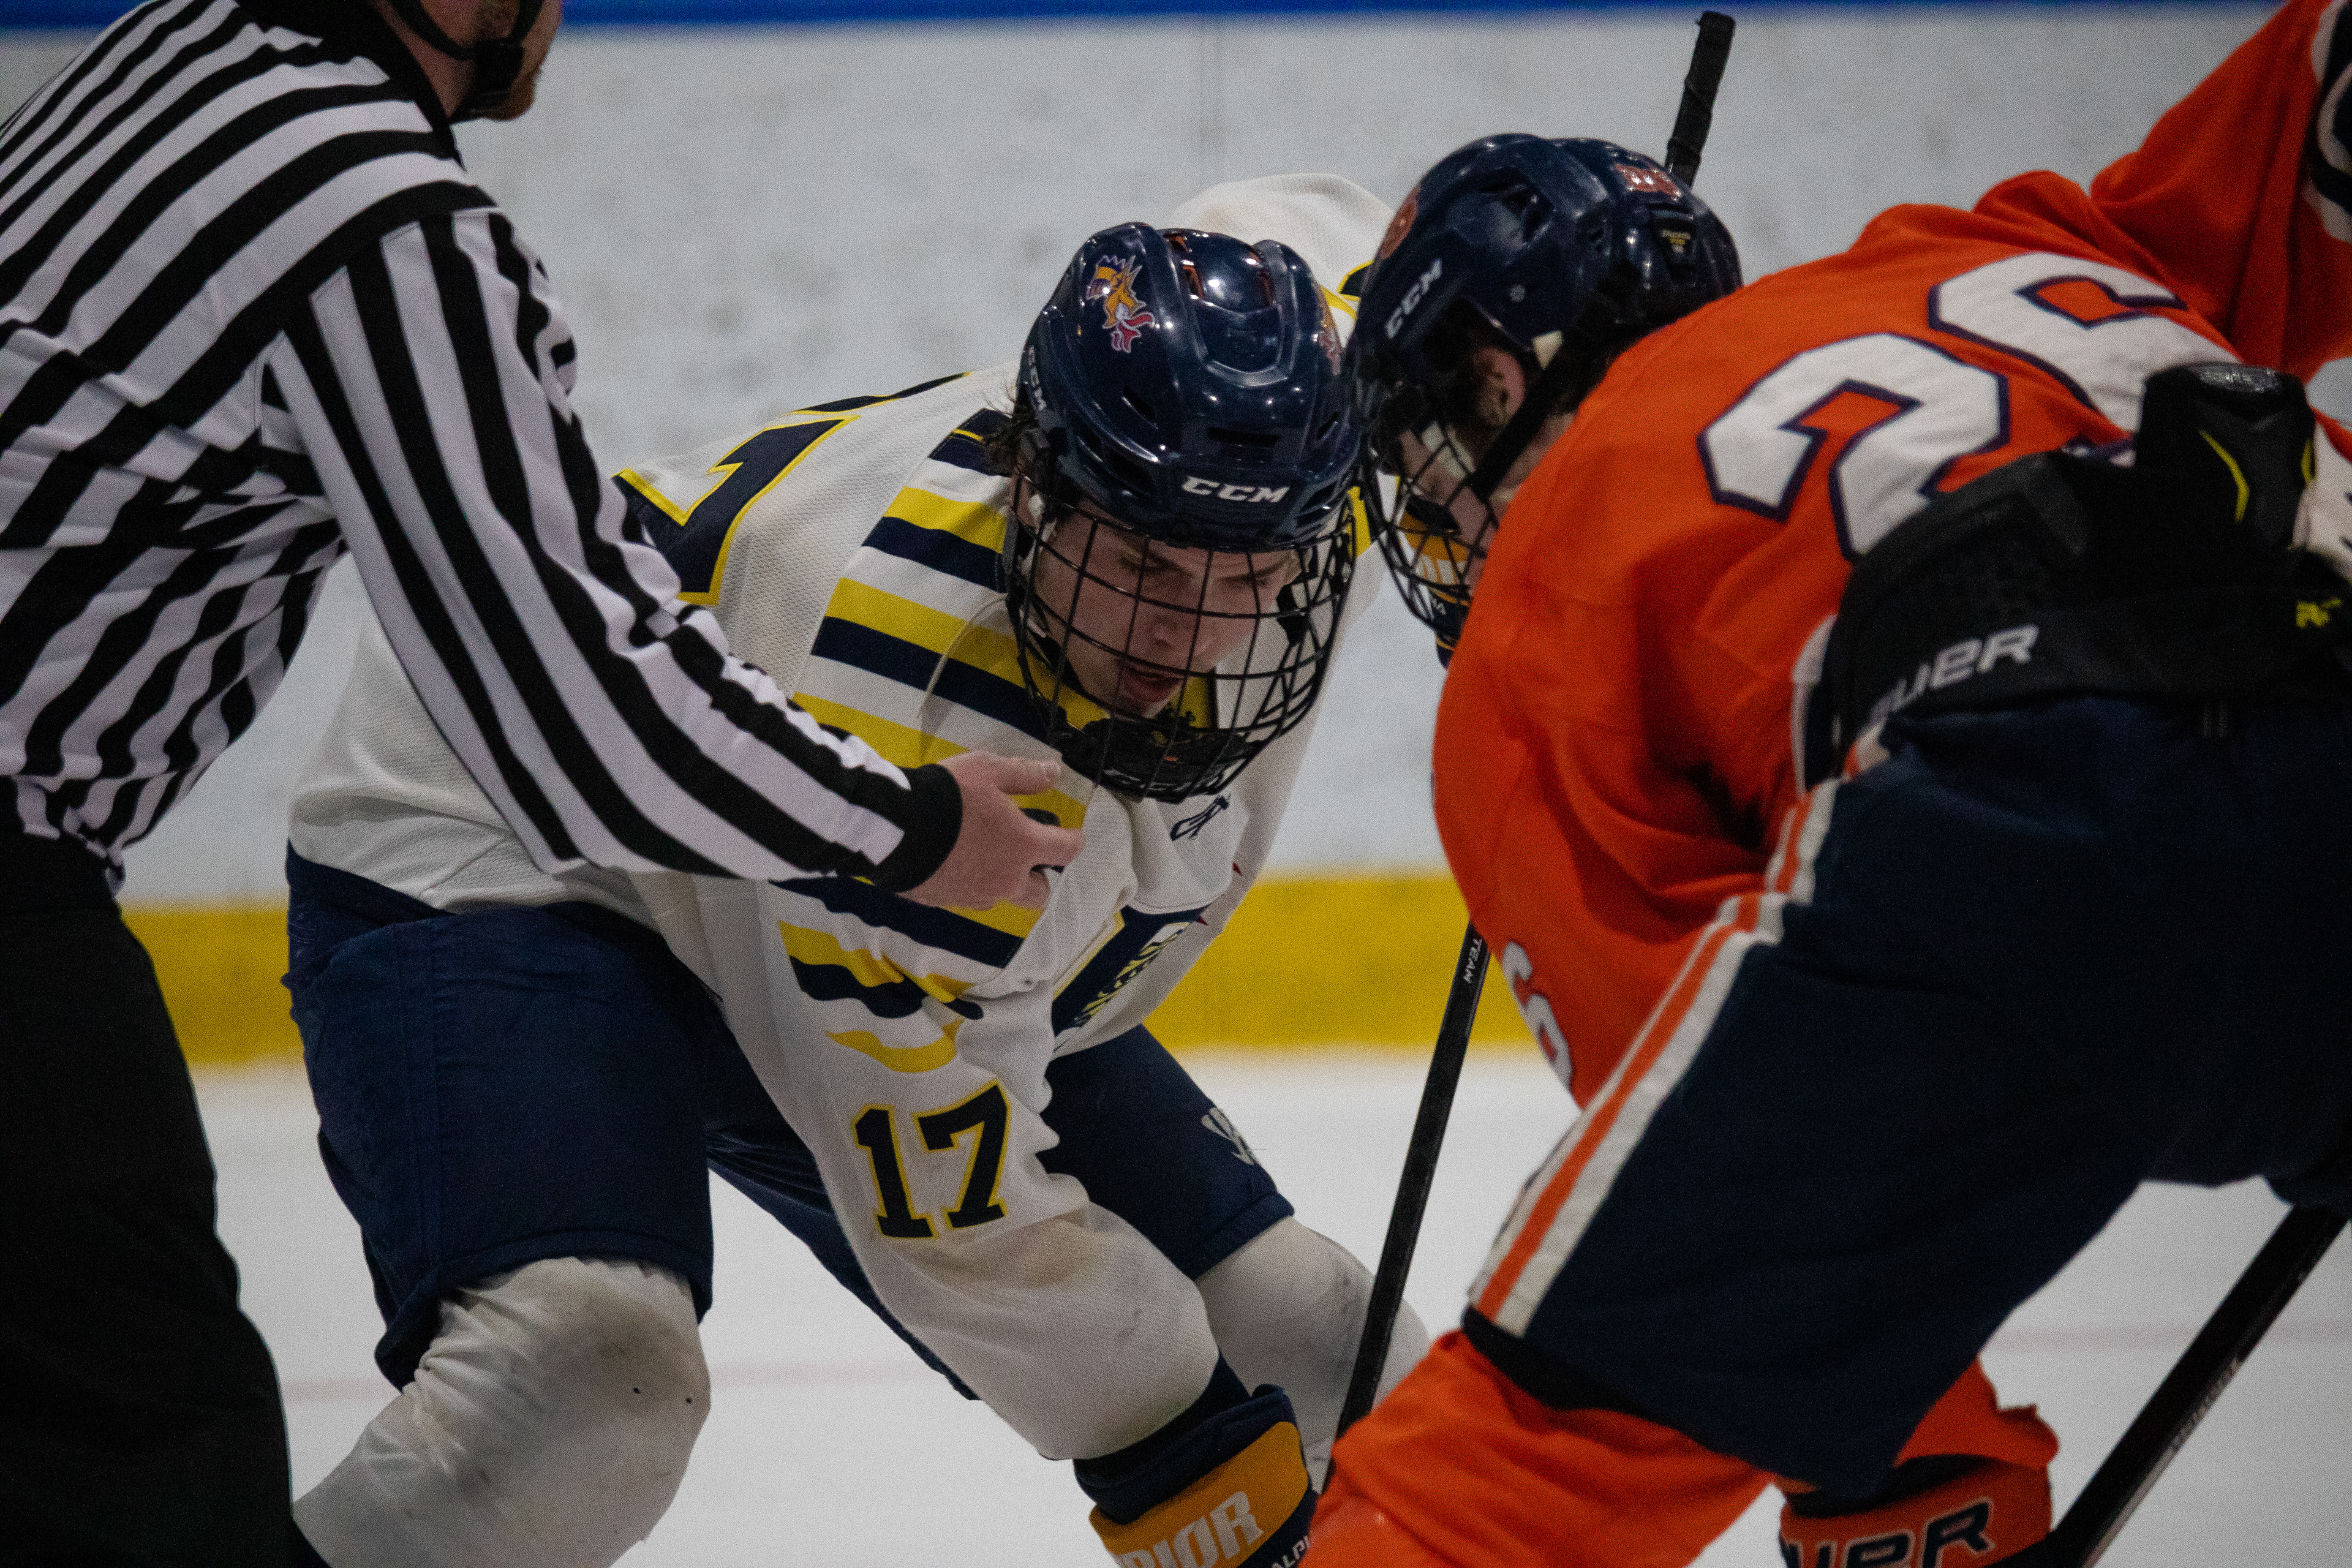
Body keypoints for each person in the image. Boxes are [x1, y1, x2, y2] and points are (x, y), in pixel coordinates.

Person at [1311, 4, 2352, 1564]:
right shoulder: (1993, 244)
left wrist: (1922, 1486)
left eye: (1427, 445)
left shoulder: (1540, 605)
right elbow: (2311, 102)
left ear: (1494, 380)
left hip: (2035, 813)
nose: (1440, 511)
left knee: (1505, 1475)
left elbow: (1762, 1197)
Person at [278, 176, 1429, 1568]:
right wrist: (1196, 1476)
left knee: (1317, 1351)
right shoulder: (919, 722)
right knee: (582, 1396)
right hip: (520, 842)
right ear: (1032, 477)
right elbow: (969, 1237)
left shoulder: (1317, 425)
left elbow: (1383, 248)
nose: (1184, 639)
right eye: (1140, 561)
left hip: (836, 881)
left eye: (1244, 578)